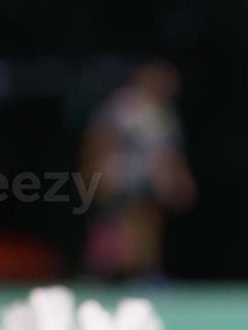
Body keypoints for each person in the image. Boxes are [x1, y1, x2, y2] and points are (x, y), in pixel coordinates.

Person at [81, 60, 196, 279]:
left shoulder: (163, 113)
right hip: (120, 178)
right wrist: (94, 177)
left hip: (148, 180)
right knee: (114, 227)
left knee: (147, 226)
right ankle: (100, 275)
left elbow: (168, 151)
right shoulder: (123, 107)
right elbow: (100, 141)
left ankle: (143, 274)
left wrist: (180, 179)